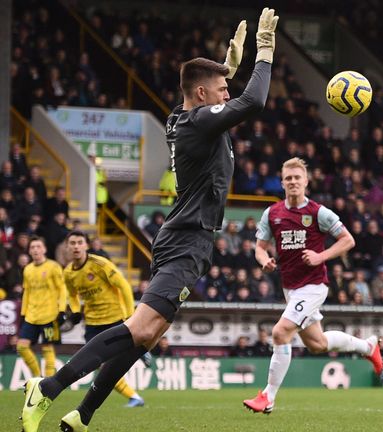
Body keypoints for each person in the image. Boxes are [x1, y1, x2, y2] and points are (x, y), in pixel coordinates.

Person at [22, 11, 277, 432]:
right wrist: (264, 52)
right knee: (140, 328)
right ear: (203, 93)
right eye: (223, 89)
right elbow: (255, 101)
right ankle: (47, 388)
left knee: (147, 337)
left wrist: (227, 68)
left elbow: (204, 92)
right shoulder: (197, 122)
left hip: (185, 238)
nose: (228, 94)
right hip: (186, 239)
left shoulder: (185, 117)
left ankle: (81, 416)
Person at [243, 157, 383, 414]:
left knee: (280, 332)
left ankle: (268, 397)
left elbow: (347, 240)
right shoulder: (272, 214)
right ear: (282, 183)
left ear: (306, 181)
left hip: (314, 285)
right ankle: (368, 346)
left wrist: (321, 256)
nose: (293, 182)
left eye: (298, 177)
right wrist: (264, 261)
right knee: (317, 344)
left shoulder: (318, 212)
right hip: (291, 287)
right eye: (288, 178)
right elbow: (259, 248)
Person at [61, 231, 147, 424]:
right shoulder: (68, 273)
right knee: (100, 366)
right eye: (72, 243)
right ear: (67, 247)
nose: (75, 246)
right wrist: (75, 310)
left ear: (86, 245)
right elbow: (72, 295)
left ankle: (140, 352)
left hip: (114, 318)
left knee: (112, 364)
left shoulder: (100, 264)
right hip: (92, 323)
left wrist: (128, 315)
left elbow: (123, 285)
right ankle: (134, 396)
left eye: (79, 242)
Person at [17, 236, 66, 379]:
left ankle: (48, 383)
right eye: (32, 247)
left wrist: (62, 310)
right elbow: (27, 292)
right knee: (21, 346)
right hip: (31, 316)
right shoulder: (27, 269)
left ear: (44, 249)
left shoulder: (53, 267)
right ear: (29, 251)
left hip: (49, 316)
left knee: (47, 348)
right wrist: (23, 313)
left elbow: (62, 289)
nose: (35, 249)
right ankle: (37, 377)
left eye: (38, 246)